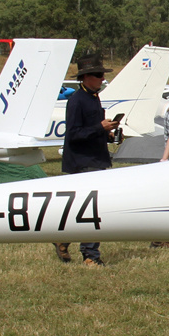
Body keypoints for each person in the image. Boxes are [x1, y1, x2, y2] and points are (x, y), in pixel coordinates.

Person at [55, 56, 117, 267]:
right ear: (86, 77)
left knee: (84, 209)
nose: (102, 79)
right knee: (93, 210)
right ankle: (90, 255)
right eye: (99, 75)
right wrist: (100, 128)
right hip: (83, 162)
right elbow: (73, 134)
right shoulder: (77, 100)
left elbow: (90, 130)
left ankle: (63, 239)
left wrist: (107, 134)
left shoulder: (92, 97)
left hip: (96, 158)